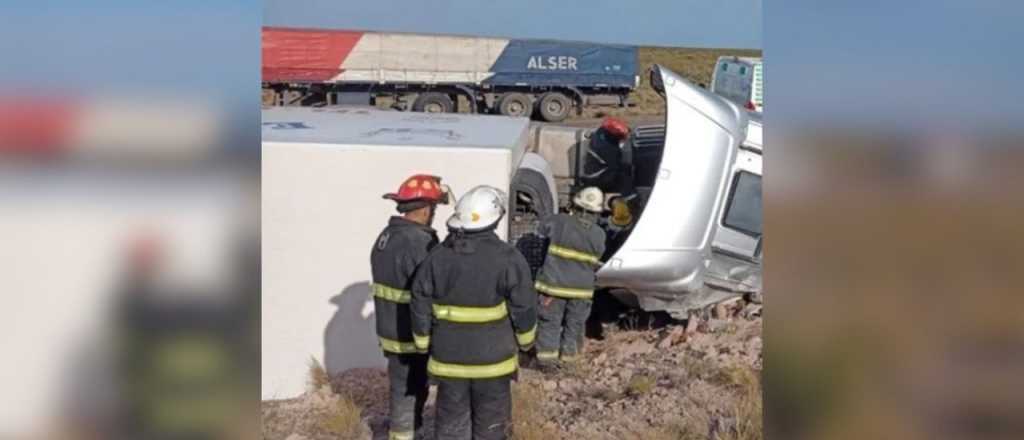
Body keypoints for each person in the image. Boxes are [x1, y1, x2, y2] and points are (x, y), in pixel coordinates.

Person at [410, 185, 537, 440]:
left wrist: (423, 343)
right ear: (495, 219)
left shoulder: (437, 257)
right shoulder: (509, 258)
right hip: (493, 364)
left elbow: (419, 301)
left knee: (451, 429)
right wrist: (526, 343)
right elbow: (523, 306)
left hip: (449, 362)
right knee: (491, 428)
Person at [371, 174, 451, 440]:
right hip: (410, 332)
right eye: (435, 208)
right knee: (409, 390)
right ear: (427, 209)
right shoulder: (419, 242)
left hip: (390, 329)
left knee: (405, 386)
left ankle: (409, 431)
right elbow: (433, 288)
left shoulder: (387, 235)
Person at [533, 186, 607, 369]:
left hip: (553, 288)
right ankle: (569, 364)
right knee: (574, 326)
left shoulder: (559, 222)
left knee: (549, 323)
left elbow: (540, 230)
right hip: (582, 293)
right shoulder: (599, 234)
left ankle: (547, 363)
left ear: (575, 204)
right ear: (597, 212)